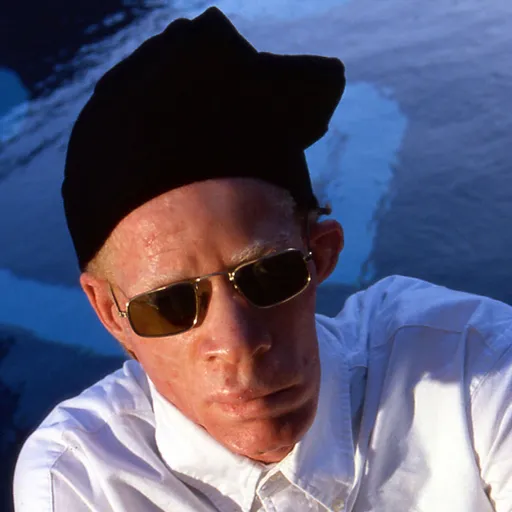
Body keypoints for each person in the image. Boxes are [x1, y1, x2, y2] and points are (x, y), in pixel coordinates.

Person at [13, 6, 512, 512]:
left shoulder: (474, 365)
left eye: (269, 275)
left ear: (321, 254)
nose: (237, 343)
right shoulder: (81, 478)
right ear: (110, 313)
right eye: (169, 304)